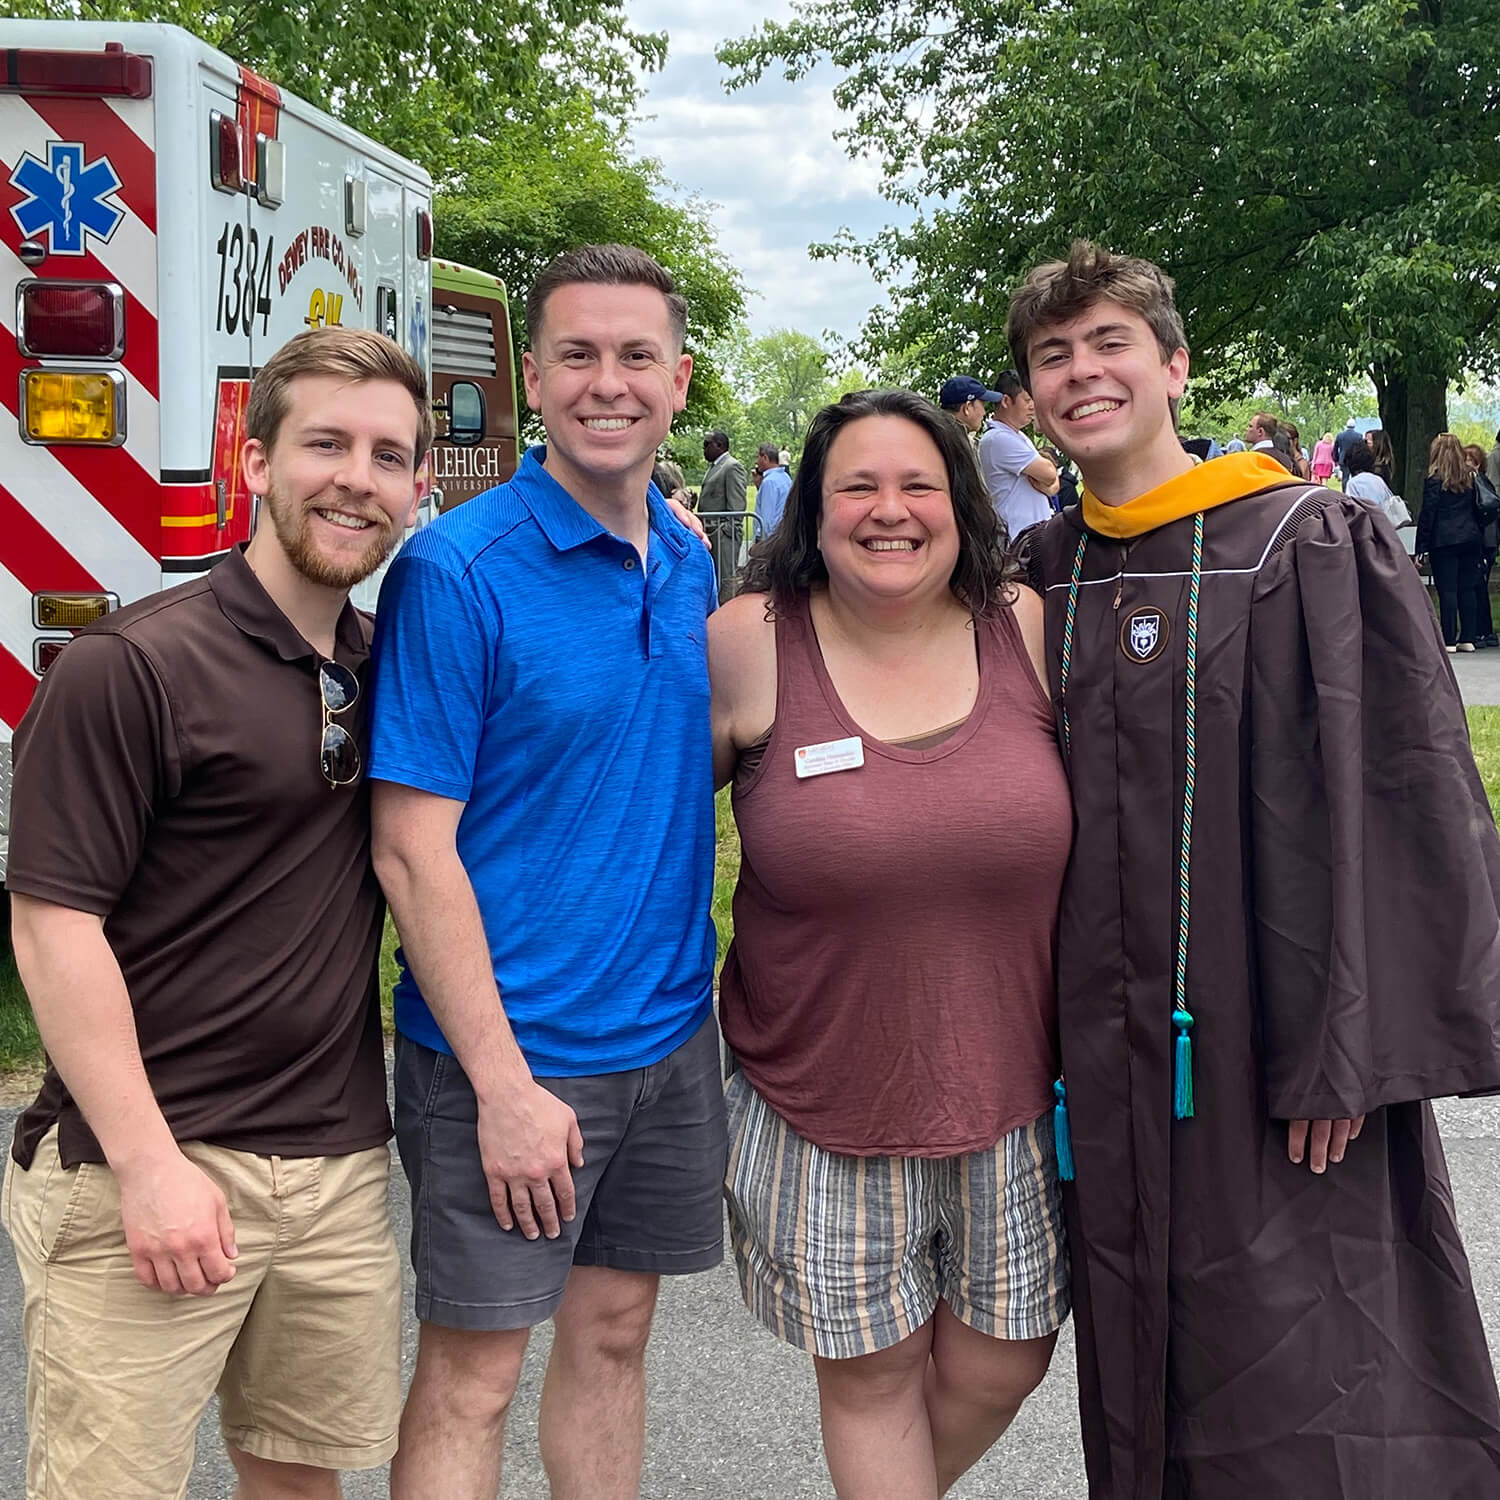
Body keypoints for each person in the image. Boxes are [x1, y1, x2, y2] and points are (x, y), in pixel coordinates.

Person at [1011, 239, 1500, 1499]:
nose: (1083, 373)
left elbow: (1396, 800)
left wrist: (1348, 1041)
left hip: (1277, 1045)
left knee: (1308, 1362)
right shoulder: (1043, 572)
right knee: (1143, 1353)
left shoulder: (1306, 538)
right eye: (1053, 356)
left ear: (1175, 366)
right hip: (1109, 1052)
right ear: (1030, 395)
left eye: (1111, 343)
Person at [2, 327, 428, 1500]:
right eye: (326, 444)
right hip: (147, 1160)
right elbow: (52, 926)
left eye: (388, 456)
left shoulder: (384, 663)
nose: (357, 477)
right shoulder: (131, 669)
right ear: (252, 463)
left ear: (416, 490)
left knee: (298, 1479)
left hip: (335, 1165)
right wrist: (148, 1167)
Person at [368, 243, 727, 1500]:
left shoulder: (689, 564)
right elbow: (412, 851)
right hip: (509, 1053)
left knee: (617, 1335)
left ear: (679, 382)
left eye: (637, 356)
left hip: (671, 1038)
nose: (607, 383)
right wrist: (503, 1085)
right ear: (531, 375)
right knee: (475, 1375)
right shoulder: (454, 571)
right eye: (577, 354)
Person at [709, 387, 1070, 1500]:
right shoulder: (748, 643)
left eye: (917, 483)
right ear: (810, 513)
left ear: (961, 502)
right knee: (874, 1378)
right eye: (855, 486)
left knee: (1005, 1361)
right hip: (823, 1097)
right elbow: (653, 844)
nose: (889, 509)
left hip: (1018, 1088)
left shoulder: (1022, 622)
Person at [1416, 432, 1486, 653]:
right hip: (1470, 538)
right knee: (1467, 588)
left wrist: (1421, 548)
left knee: (1447, 590)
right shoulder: (1470, 477)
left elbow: (1428, 515)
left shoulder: (1435, 480)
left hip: (1443, 540)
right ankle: (1468, 637)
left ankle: (1449, 639)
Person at [978, 369, 1061, 540]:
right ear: (1006, 401)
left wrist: (1048, 484)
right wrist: (1047, 479)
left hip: (1034, 536)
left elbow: (1053, 483)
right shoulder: (998, 439)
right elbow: (1049, 472)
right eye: (1027, 400)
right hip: (1018, 542)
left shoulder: (1019, 436)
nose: (1033, 406)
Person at [701, 428, 749, 597]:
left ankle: (727, 617)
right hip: (711, 534)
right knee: (713, 580)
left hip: (724, 537)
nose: (704, 448)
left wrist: (727, 531)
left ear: (720, 445)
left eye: (707, 444)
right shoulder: (713, 467)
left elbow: (737, 504)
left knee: (726, 581)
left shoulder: (732, 467)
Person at [1465, 442, 1498, 647]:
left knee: (1477, 586)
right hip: (1486, 540)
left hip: (1484, 541)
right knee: (1479, 586)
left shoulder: (1479, 484)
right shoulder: (1484, 483)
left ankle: (1482, 630)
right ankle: (1484, 630)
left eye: (1469, 460)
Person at [1342, 438, 1411, 532]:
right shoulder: (1377, 479)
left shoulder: (1353, 483)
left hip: (1367, 529)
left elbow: (1351, 510)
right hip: (1384, 526)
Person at [938, 374, 1005, 450]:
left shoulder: (936, 435)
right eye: (983, 404)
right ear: (968, 407)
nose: (984, 412)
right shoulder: (956, 445)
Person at [751, 440, 792, 535]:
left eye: (758, 457)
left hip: (771, 541)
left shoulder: (769, 482)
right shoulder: (786, 478)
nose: (756, 462)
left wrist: (760, 541)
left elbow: (767, 522)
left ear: (765, 458)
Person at [1332, 415, 1364, 482]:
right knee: (1355, 477)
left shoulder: (1340, 435)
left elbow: (1335, 448)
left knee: (1345, 477)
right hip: (1355, 459)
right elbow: (1361, 449)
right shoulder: (1359, 436)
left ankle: (1344, 491)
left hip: (1343, 459)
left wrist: (1336, 459)